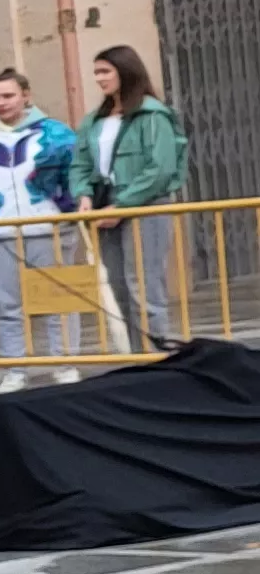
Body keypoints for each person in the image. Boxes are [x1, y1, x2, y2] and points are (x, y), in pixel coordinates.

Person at [0, 69, 85, 390]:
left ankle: (64, 363)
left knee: (58, 301)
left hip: (50, 229)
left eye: (8, 96)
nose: (1, 103)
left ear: (26, 95)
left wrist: (71, 209)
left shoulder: (57, 135)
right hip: (1, 235)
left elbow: (78, 175)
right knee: (6, 305)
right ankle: (15, 368)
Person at [83, 44, 193, 352]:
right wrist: (84, 194)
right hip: (108, 204)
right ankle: (137, 355)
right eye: (96, 73)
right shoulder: (96, 120)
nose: (100, 79)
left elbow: (159, 168)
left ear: (125, 72)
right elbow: (82, 161)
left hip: (146, 205)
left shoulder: (152, 114)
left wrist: (124, 205)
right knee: (119, 286)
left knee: (143, 286)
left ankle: (155, 355)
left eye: (105, 71)